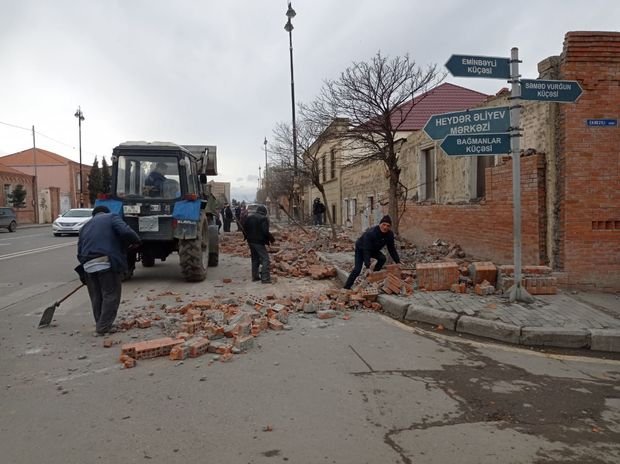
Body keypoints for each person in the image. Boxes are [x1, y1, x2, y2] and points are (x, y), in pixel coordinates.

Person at [76, 205, 141, 335]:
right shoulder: (111, 217)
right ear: (105, 213)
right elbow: (126, 232)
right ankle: (103, 327)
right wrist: (136, 241)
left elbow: (79, 251)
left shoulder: (85, 226)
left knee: (97, 296)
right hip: (106, 262)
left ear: (94, 215)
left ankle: (100, 323)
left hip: (87, 265)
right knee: (111, 295)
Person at [343, 215, 401, 290]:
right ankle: (346, 288)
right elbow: (366, 250)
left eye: (388, 225)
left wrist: (397, 261)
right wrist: (367, 267)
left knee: (382, 258)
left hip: (374, 250)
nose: (385, 227)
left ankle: (373, 276)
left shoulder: (389, 234)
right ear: (380, 224)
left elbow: (391, 249)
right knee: (357, 269)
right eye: (384, 224)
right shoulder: (371, 233)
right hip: (361, 249)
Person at [243, 205, 275, 284]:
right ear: (264, 212)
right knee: (265, 259)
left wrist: (246, 237)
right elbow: (265, 231)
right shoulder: (264, 219)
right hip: (259, 242)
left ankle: (255, 276)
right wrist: (271, 239)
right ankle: (265, 278)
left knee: (255, 259)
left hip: (250, 241)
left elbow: (244, 229)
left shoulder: (249, 217)